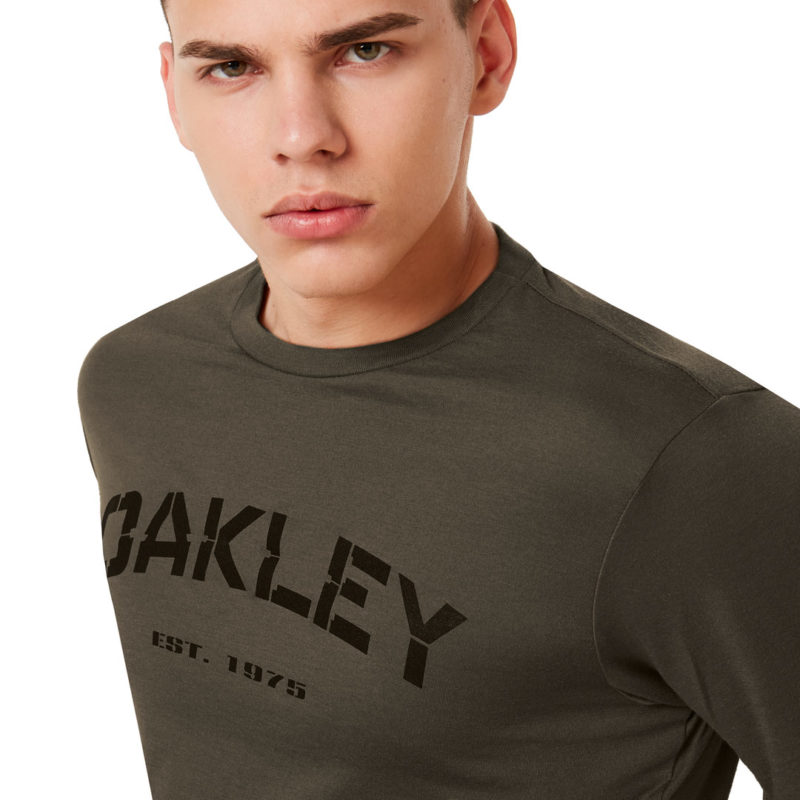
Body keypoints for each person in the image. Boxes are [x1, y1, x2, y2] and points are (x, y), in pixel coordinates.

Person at [77, 1, 799, 798]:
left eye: (365, 51)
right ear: (174, 96)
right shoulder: (133, 381)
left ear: (487, 53)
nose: (302, 136)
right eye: (232, 67)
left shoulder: (699, 457)